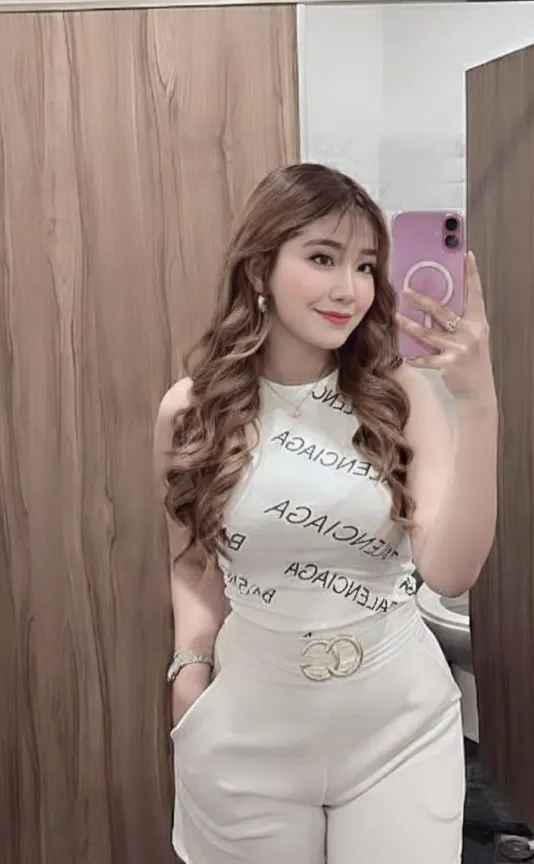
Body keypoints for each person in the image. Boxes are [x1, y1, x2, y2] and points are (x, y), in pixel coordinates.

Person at [153, 163, 498, 864]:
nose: (350, 289)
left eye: (366, 266)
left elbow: (450, 573)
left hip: (397, 729)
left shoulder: (400, 397)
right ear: (260, 267)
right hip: (248, 727)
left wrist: (479, 402)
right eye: (322, 258)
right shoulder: (192, 410)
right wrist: (189, 671)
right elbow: (192, 560)